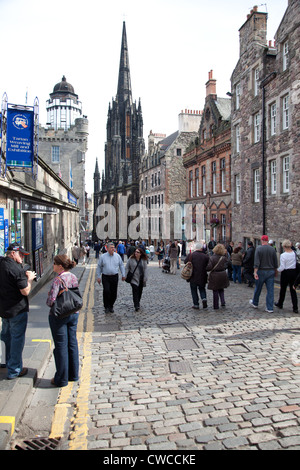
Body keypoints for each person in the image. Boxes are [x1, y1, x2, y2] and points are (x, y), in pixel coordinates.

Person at [0, 243, 36, 379]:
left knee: (5, 336)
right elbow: (25, 291)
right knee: (16, 339)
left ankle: (5, 362)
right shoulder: (17, 270)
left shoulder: (2, 263)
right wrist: (30, 279)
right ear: (12, 253)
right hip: (17, 310)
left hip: (4, 309)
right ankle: (14, 369)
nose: (22, 257)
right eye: (20, 254)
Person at [46, 254, 80, 387]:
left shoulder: (57, 280)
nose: (53, 265)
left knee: (61, 346)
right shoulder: (73, 277)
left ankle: (61, 379)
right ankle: (74, 374)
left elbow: (51, 301)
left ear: (60, 266)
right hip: (73, 313)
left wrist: (49, 298)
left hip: (59, 316)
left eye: (54, 263)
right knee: (72, 343)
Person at [249, 235, 278, 313]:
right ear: (267, 241)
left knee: (258, 288)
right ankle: (269, 307)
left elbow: (257, 262)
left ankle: (255, 303)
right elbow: (275, 261)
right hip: (270, 271)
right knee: (270, 290)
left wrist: (255, 272)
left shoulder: (259, 249)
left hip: (261, 271)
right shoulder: (272, 249)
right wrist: (276, 271)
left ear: (262, 241)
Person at [96, 242, 125, 313]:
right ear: (107, 248)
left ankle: (111, 305)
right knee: (106, 291)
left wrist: (123, 275)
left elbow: (121, 265)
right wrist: (98, 276)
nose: (113, 249)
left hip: (114, 276)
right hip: (105, 276)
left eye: (113, 248)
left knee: (114, 292)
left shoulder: (117, 256)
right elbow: (99, 267)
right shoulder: (103, 256)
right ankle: (106, 306)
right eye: (111, 248)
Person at [275, 239, 298, 313]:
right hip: (293, 272)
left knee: (283, 289)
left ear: (284, 246)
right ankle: (295, 307)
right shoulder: (294, 253)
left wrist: (277, 270)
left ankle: (280, 303)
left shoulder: (283, 255)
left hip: (285, 272)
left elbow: (282, 267)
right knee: (293, 290)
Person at [184, 242, 209, 310]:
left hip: (193, 275)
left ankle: (196, 304)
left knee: (193, 290)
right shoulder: (205, 256)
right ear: (201, 248)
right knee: (202, 288)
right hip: (202, 275)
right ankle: (204, 298)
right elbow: (208, 264)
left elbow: (185, 261)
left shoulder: (191, 255)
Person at [206, 244, 229, 310]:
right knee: (221, 289)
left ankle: (216, 305)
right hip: (222, 273)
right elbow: (228, 264)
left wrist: (205, 268)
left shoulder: (212, 258)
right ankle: (223, 301)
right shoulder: (224, 258)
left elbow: (209, 267)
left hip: (215, 274)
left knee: (215, 290)